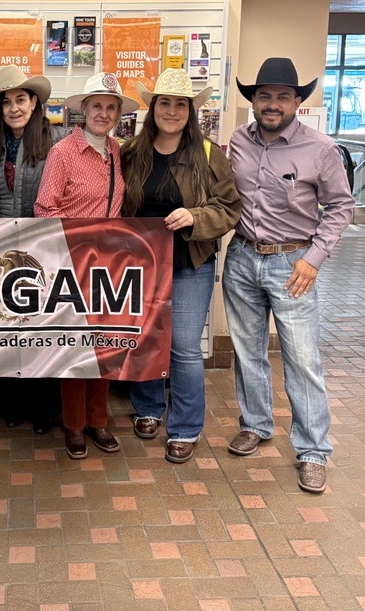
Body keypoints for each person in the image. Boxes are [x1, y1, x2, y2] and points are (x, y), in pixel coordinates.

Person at [223, 57, 354, 494]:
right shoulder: (238, 141)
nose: (272, 104)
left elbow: (341, 207)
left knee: (301, 359)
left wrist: (313, 257)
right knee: (247, 352)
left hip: (292, 263)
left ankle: (313, 450)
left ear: (298, 100)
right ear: (253, 101)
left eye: (283, 96)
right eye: (264, 96)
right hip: (241, 258)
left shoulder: (320, 148)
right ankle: (256, 425)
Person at [120, 69, 241, 463]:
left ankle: (186, 427)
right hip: (141, 265)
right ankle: (149, 408)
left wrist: (195, 217)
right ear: (153, 108)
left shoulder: (208, 155)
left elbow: (229, 209)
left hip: (190, 262)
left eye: (180, 104)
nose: (172, 111)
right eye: (165, 103)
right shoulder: (129, 153)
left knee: (185, 347)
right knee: (143, 337)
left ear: (190, 111)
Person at [34, 72, 138, 459]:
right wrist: (76, 243)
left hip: (110, 266)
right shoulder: (63, 153)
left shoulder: (118, 152)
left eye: (111, 107)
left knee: (105, 346)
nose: (104, 112)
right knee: (75, 349)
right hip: (73, 263)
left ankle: (99, 420)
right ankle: (75, 425)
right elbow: (45, 208)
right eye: (97, 105)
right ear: (83, 109)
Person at [0, 65, 65, 434]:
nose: (14, 108)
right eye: (7, 102)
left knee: (42, 330)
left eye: (21, 99)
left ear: (34, 103)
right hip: (0, 250)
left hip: (46, 250)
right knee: (7, 329)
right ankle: (11, 403)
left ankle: (44, 408)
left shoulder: (57, 140)